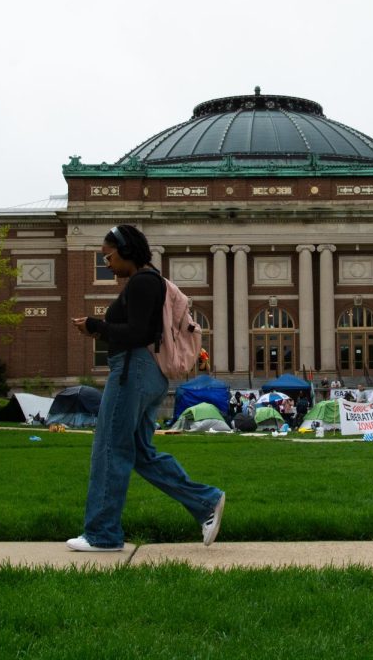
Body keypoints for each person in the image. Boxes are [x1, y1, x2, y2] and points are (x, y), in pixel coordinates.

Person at [69, 224, 225, 552]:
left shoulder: (142, 282)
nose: (107, 263)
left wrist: (97, 326)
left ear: (126, 251)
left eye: (108, 256)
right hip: (149, 375)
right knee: (140, 452)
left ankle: (102, 534)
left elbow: (138, 333)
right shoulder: (152, 281)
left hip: (133, 371)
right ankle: (206, 502)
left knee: (110, 447)